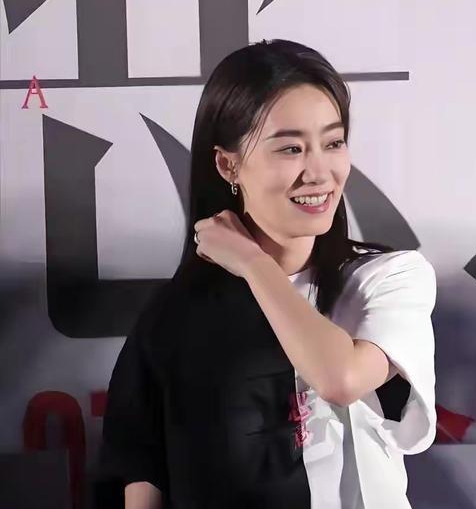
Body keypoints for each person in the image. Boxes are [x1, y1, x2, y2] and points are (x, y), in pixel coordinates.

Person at [94, 39, 437, 509]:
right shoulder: (178, 313)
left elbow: (340, 378)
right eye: (291, 149)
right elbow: (141, 468)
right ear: (228, 165)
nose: (319, 172)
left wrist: (253, 263)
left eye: (333, 143)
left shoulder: (388, 278)